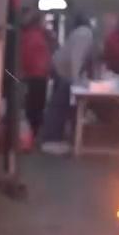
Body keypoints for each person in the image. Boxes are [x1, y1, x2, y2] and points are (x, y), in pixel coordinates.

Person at [40, 13, 94, 154]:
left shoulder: (80, 33)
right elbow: (76, 58)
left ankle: (52, 137)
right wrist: (77, 80)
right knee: (59, 105)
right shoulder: (85, 34)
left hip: (61, 69)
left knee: (58, 105)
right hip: (64, 72)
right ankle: (51, 139)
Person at [20, 9, 52, 139]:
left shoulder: (31, 35)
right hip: (36, 75)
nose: (46, 23)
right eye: (44, 20)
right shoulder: (35, 36)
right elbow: (29, 56)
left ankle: (32, 134)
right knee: (35, 106)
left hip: (36, 74)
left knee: (34, 105)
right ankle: (32, 134)